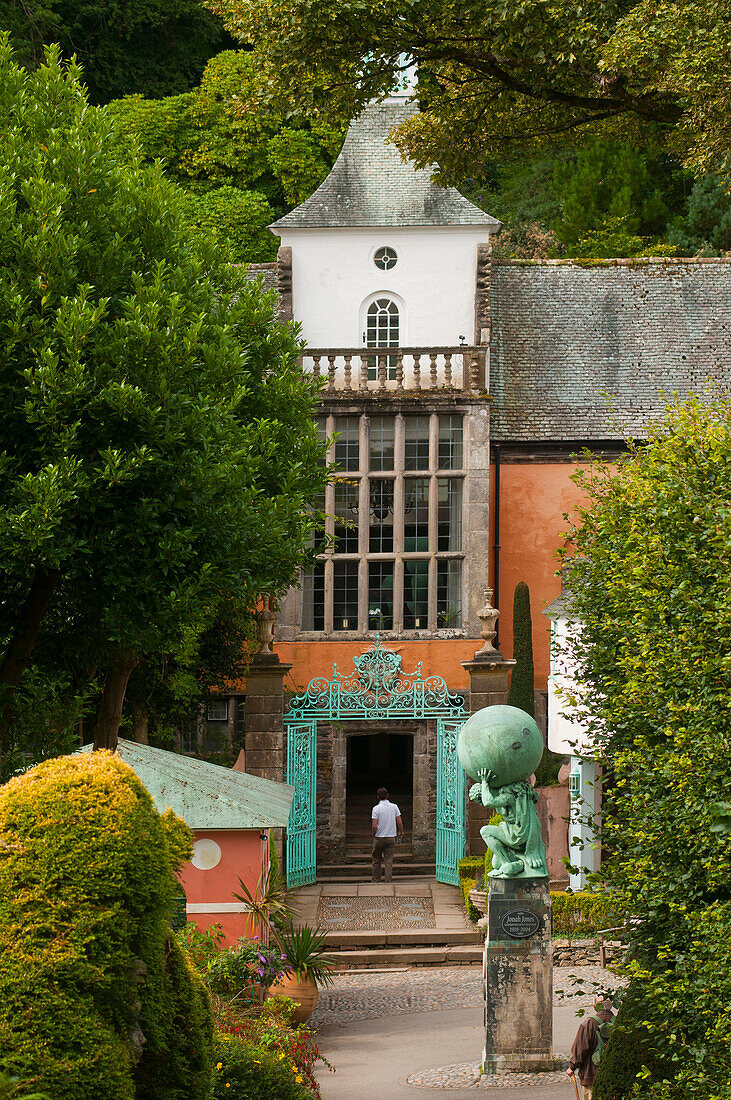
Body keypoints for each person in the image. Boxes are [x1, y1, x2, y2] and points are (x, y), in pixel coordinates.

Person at [567, 999, 615, 1099]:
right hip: (613, 1074)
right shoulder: (618, 1022)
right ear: (612, 1005)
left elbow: (581, 1048)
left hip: (591, 1074)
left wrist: (572, 1067)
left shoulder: (589, 1023)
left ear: (594, 1006)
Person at [371, 787, 403, 882]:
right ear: (387, 795)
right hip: (391, 837)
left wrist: (374, 834)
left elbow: (374, 825)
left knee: (376, 859)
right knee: (389, 860)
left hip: (379, 837)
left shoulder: (376, 808)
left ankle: (376, 879)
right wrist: (401, 832)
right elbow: (399, 821)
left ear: (377, 797)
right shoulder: (394, 807)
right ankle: (388, 880)